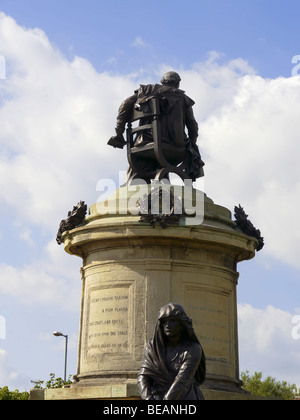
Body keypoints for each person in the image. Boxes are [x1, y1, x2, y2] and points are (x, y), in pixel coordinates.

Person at [108, 72, 204, 182]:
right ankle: (181, 182)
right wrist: (192, 144)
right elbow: (193, 127)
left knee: (139, 166)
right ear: (178, 83)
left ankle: (140, 183)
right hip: (176, 146)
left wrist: (119, 133)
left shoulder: (147, 90)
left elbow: (124, 105)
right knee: (193, 148)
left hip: (143, 143)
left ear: (162, 81)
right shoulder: (183, 98)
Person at [137, 303, 206, 400]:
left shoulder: (193, 349)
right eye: (165, 321)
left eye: (173, 321)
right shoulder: (152, 347)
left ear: (182, 324)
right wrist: (148, 399)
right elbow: (143, 377)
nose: (168, 325)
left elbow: (182, 381)